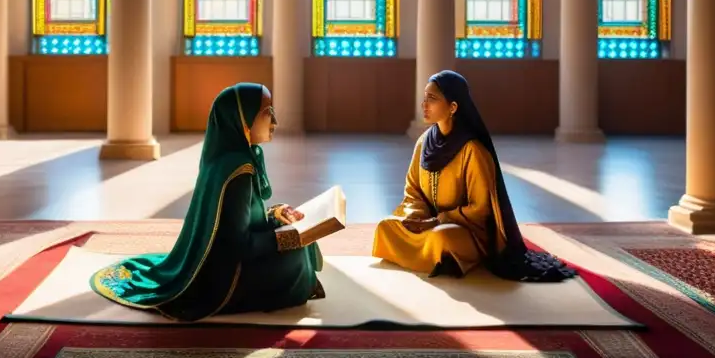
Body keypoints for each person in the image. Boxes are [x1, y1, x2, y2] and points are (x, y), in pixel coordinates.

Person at [91, 83, 324, 321]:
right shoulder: (238, 171)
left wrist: (276, 215)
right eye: (266, 112)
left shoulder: (233, 156)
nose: (274, 121)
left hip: (230, 255)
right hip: (227, 277)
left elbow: (243, 219)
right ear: (242, 119)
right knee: (298, 253)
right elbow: (237, 246)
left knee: (298, 241)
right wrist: (289, 237)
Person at [373, 70, 576, 282]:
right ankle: (434, 258)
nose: (424, 104)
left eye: (432, 99)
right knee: (385, 227)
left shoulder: (473, 150)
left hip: (464, 230)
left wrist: (437, 220)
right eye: (424, 97)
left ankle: (443, 257)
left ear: (453, 107)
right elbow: (413, 189)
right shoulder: (423, 142)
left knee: (442, 238)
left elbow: (480, 208)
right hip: (427, 223)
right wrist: (416, 216)